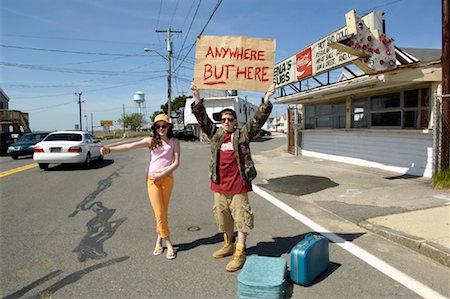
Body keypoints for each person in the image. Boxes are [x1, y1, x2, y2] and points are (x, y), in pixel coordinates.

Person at [190, 82, 275, 272]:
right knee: (223, 218)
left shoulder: (242, 135)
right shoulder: (216, 134)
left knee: (241, 218)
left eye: (230, 119)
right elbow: (202, 119)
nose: (226, 121)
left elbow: (257, 121)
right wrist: (197, 96)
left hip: (238, 186)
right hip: (219, 186)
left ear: (235, 121)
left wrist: (267, 98)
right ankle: (228, 244)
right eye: (223, 119)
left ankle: (240, 251)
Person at [100, 114, 180, 260]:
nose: (161, 128)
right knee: (159, 212)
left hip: (167, 179)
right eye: (158, 126)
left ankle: (158, 240)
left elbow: (176, 163)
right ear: (154, 128)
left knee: (163, 212)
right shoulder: (150, 141)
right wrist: (110, 150)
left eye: (164, 126)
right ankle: (168, 243)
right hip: (152, 180)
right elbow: (129, 146)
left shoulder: (174, 141)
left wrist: (162, 175)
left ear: (169, 126)